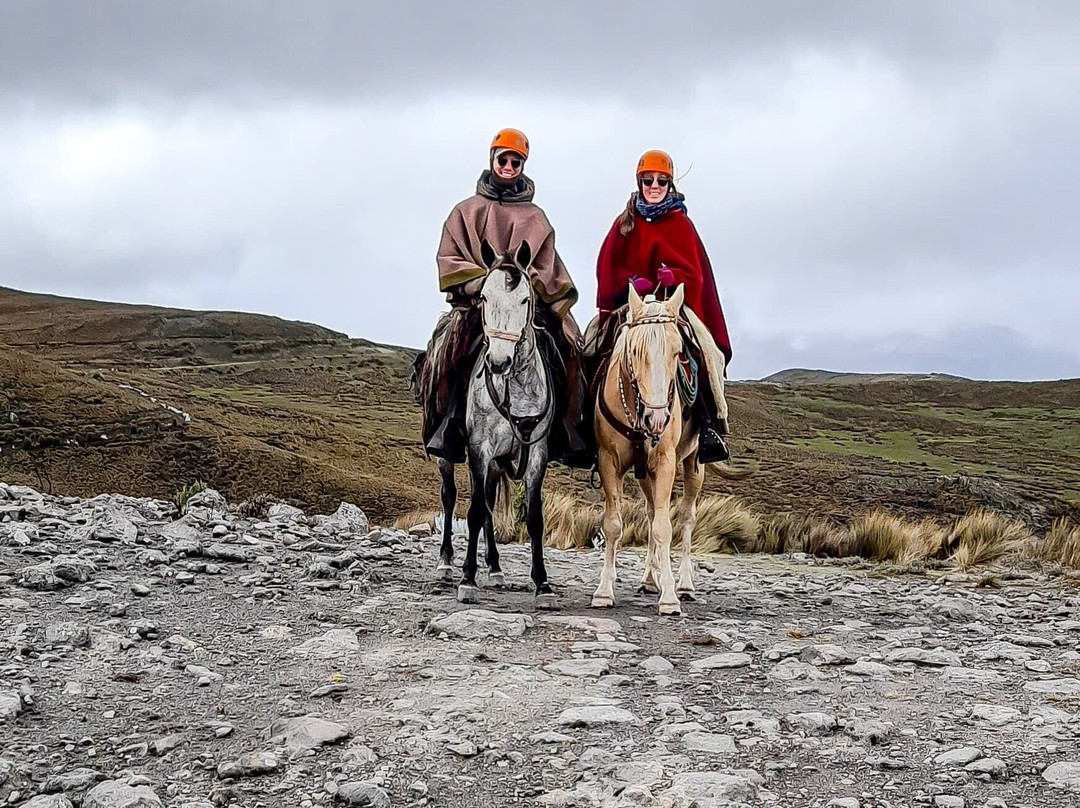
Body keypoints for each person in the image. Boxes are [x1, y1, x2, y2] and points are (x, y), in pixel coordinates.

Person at [415, 128, 588, 467]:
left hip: (525, 304)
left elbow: (546, 263)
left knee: (563, 347)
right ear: (492, 160)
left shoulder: (536, 217)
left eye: (515, 161)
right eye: (503, 159)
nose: (508, 166)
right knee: (454, 351)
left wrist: (524, 285)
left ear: (523, 165)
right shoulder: (465, 211)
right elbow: (451, 257)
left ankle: (568, 429)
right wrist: (482, 284)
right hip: (478, 305)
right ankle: (449, 425)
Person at [589, 149, 732, 463]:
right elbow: (607, 267)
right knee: (590, 347)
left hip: (673, 308)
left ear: (670, 184)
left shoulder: (682, 225)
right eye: (648, 180)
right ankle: (584, 426)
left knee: (705, 351)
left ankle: (711, 425)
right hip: (632, 310)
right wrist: (631, 283)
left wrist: (674, 276)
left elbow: (696, 275)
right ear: (639, 182)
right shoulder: (624, 223)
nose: (654, 186)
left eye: (661, 181)